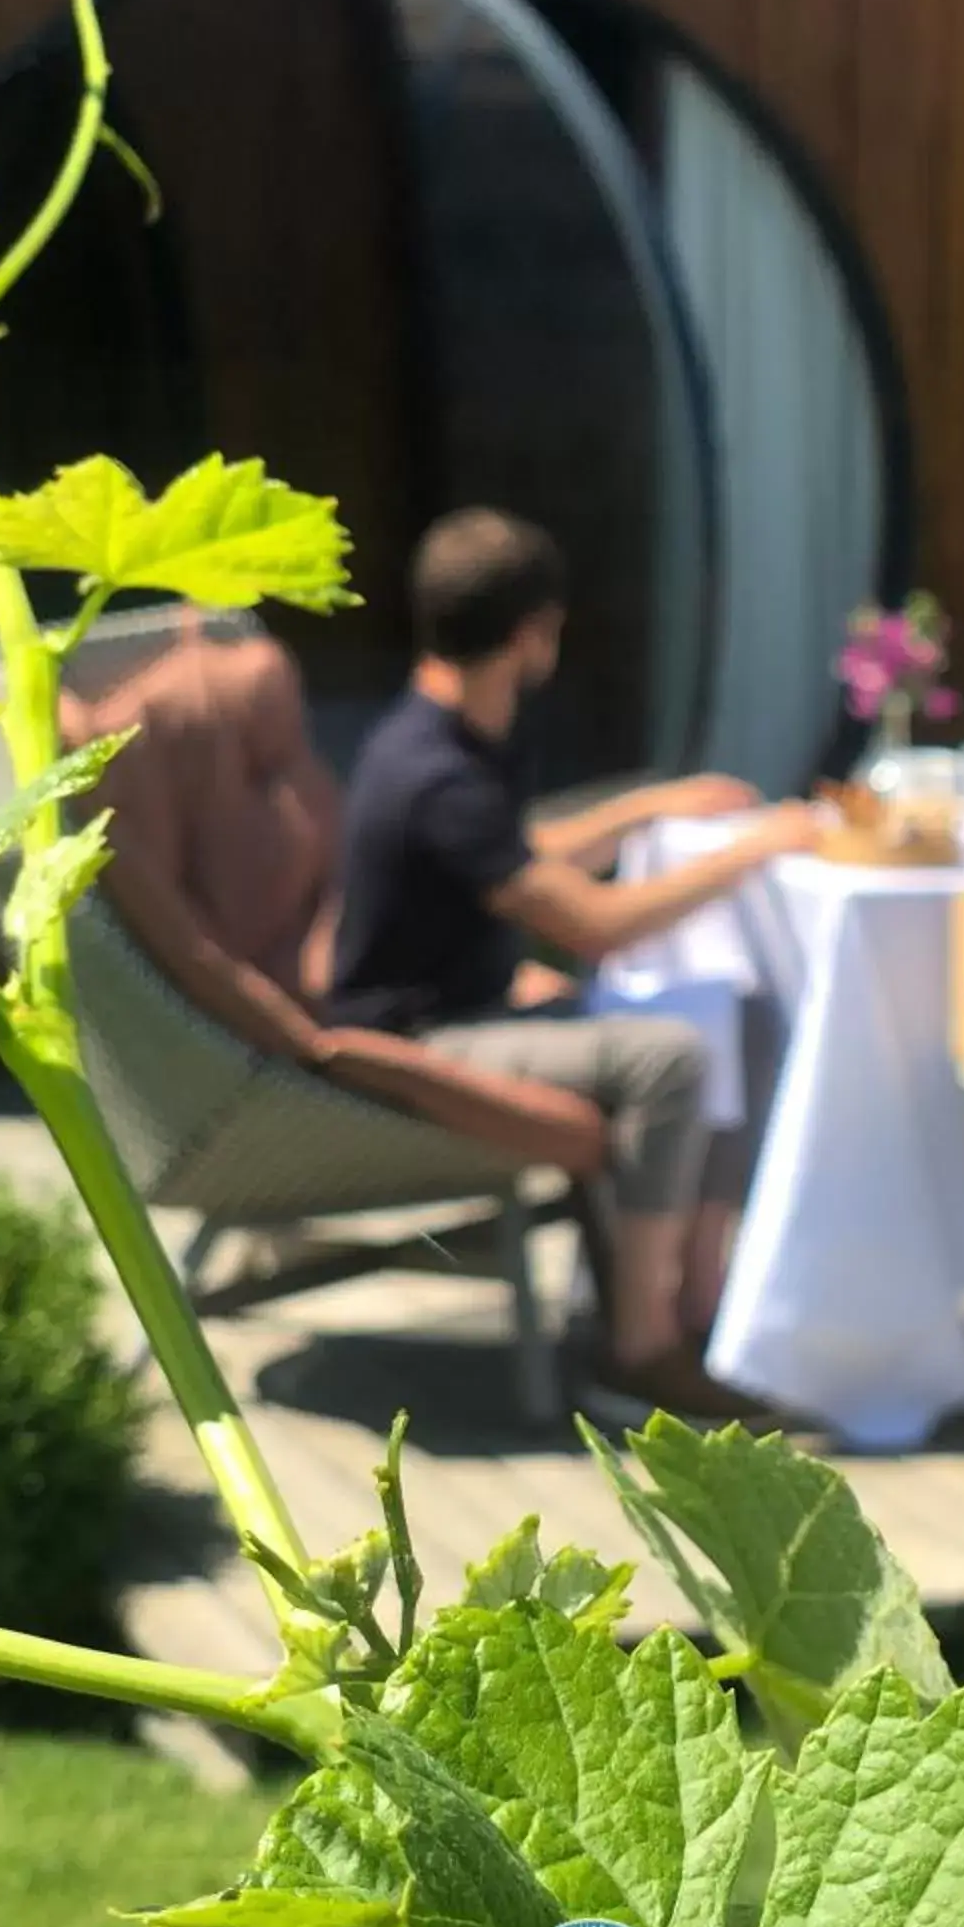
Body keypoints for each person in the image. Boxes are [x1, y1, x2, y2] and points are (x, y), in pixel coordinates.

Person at [319, 508, 823, 1419]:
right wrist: (755, 848)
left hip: (475, 1010)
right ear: (533, 633)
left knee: (732, 1010)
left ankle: (704, 1302)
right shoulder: (437, 772)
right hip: (417, 1044)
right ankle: (638, 1348)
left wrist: (653, 807)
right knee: (668, 1058)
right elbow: (595, 926)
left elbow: (517, 853)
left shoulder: (450, 736)